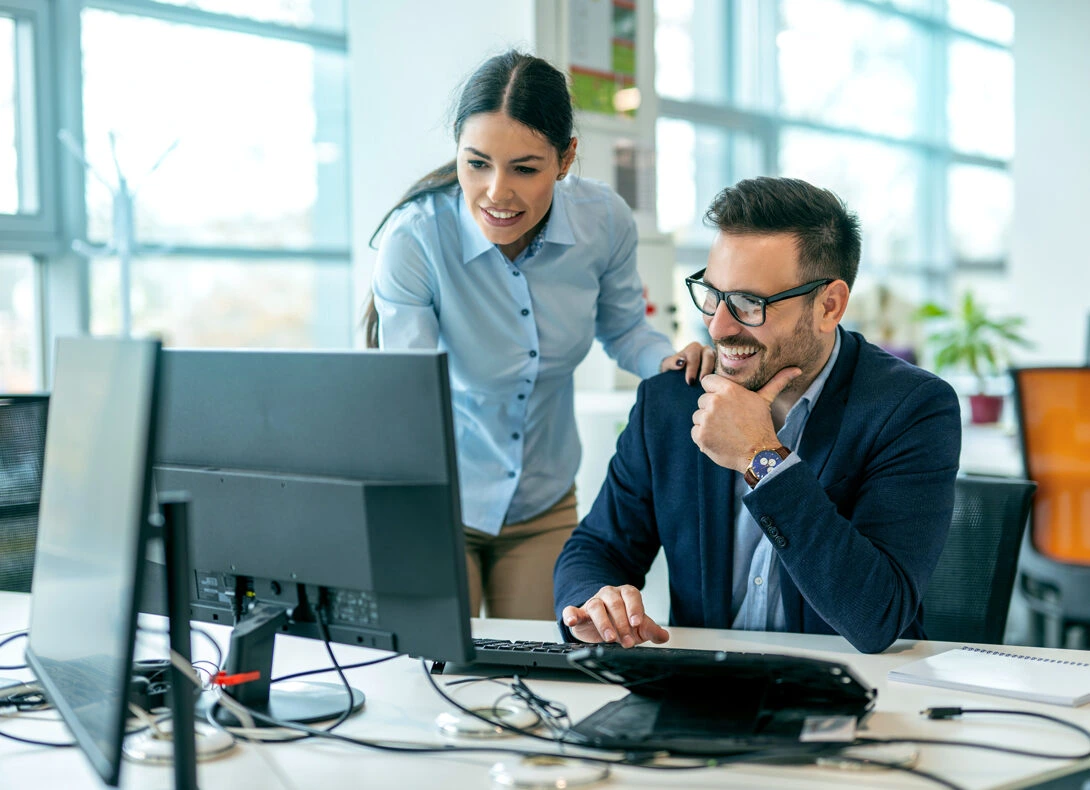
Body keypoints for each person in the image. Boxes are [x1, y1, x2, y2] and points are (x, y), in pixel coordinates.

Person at [366, 50, 713, 620]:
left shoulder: (603, 220)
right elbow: (411, 395)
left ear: (566, 158)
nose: (497, 193)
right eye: (476, 163)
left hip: (544, 502)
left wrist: (676, 362)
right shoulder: (417, 239)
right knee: (433, 676)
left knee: (538, 676)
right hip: (438, 497)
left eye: (525, 169)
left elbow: (625, 329)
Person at [553, 176, 962, 654]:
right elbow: (595, 549)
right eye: (712, 294)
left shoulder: (911, 408)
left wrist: (759, 456)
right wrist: (595, 601)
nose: (718, 326)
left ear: (829, 306)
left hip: (853, 690)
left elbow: (876, 616)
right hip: (706, 694)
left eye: (750, 304)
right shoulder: (671, 401)